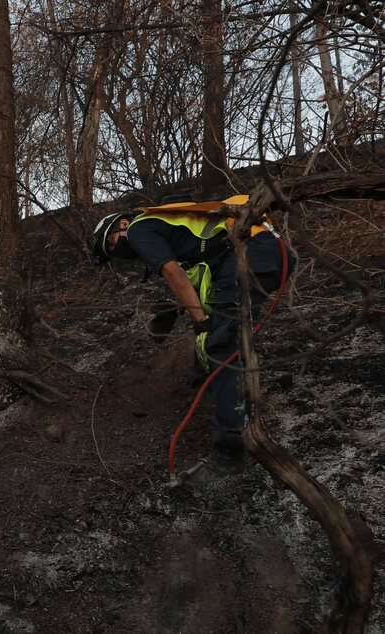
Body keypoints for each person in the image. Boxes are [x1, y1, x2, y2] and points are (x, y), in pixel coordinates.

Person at [88, 195, 290, 485]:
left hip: (252, 252)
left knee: (222, 346)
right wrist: (195, 321)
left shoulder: (138, 228)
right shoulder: (182, 241)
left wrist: (202, 324)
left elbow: (173, 272)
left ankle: (229, 456)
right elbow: (198, 281)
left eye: (111, 244)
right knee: (214, 346)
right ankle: (216, 408)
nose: (115, 252)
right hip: (252, 254)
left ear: (121, 224)